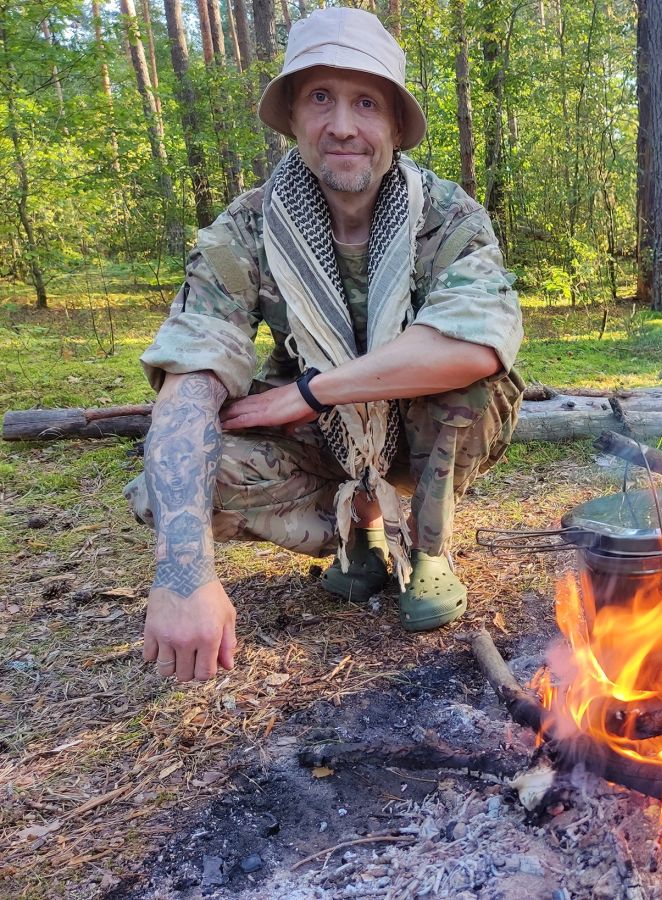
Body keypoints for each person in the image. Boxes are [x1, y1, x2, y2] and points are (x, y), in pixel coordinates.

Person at [124, 7, 524, 683]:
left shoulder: (448, 216)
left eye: (365, 102)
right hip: (322, 441)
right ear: (293, 119)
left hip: (428, 436)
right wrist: (182, 574)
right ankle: (359, 535)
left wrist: (309, 392)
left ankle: (429, 549)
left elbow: (474, 348)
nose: (343, 125)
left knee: (460, 377)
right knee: (170, 487)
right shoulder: (246, 228)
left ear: (395, 125)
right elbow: (189, 377)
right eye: (320, 98)